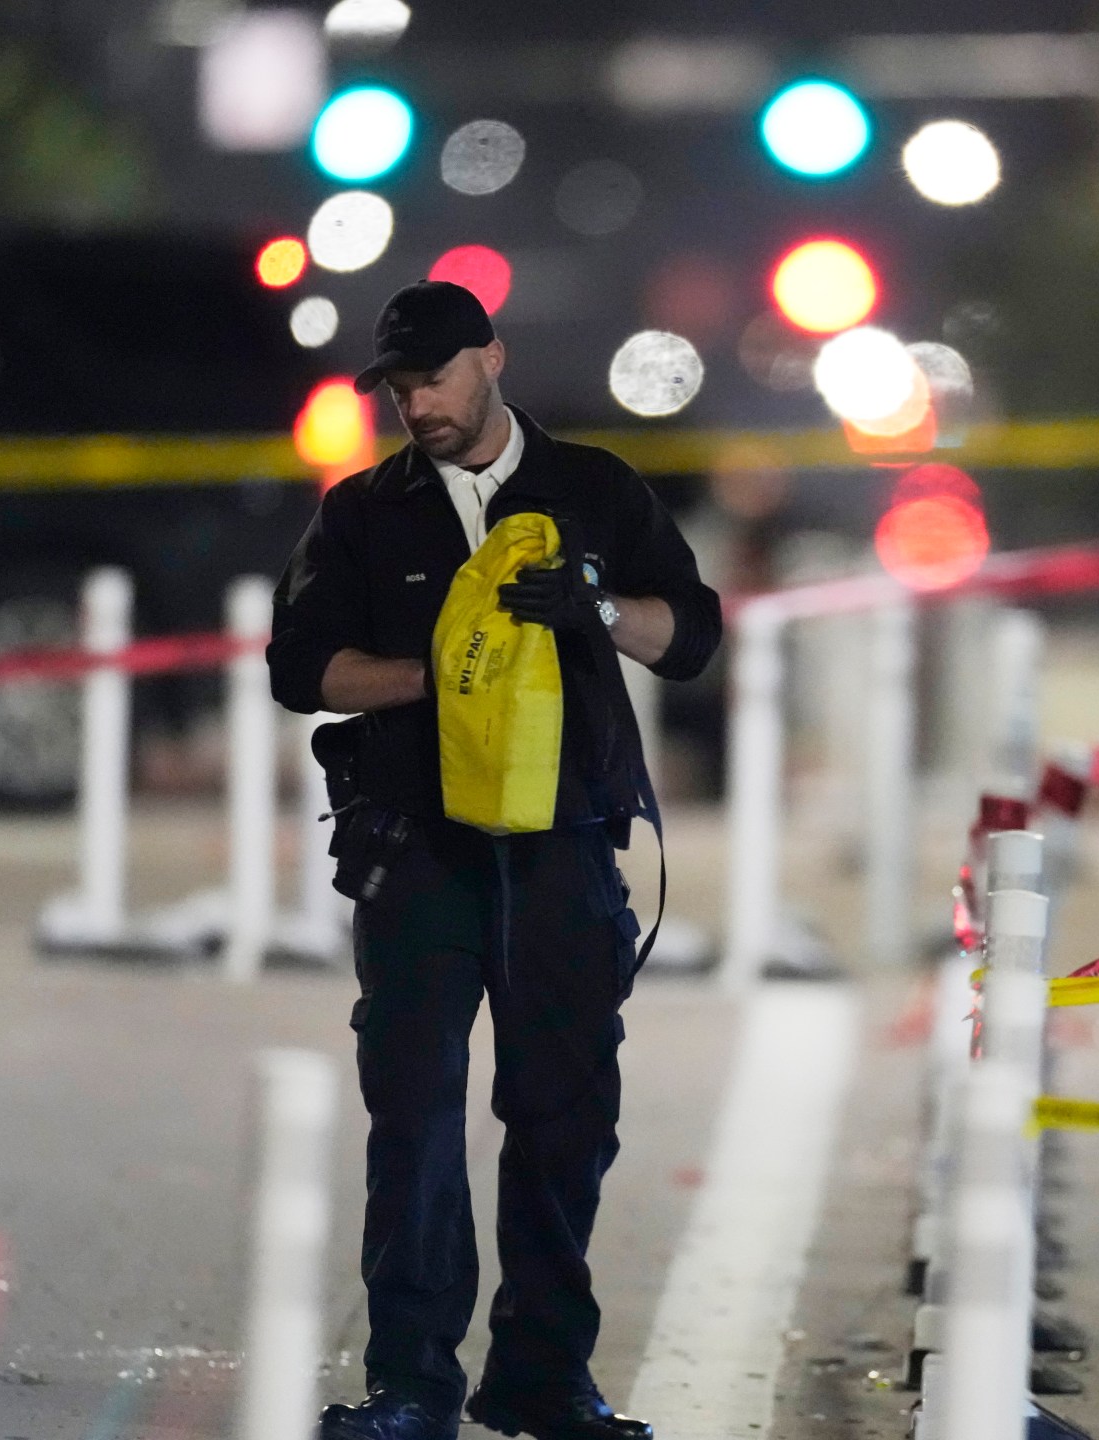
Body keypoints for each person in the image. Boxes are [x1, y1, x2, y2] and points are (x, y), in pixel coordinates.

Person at [268, 280, 722, 1440]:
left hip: (564, 849)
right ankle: (412, 1383)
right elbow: (299, 669)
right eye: (400, 387)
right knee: (414, 1114)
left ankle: (542, 1377)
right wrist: (438, 671)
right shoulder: (363, 512)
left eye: (436, 377)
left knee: (564, 1114)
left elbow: (692, 636)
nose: (418, 403)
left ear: (492, 358)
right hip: (418, 852)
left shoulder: (594, 489)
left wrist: (595, 608)